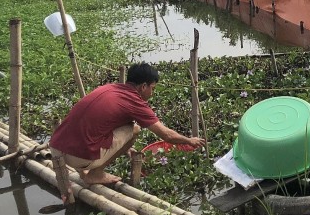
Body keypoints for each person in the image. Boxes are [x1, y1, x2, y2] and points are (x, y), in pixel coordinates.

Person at [49, 62, 206, 203]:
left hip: (56, 148)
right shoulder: (134, 101)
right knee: (134, 129)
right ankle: (95, 173)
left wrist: (127, 148)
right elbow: (167, 135)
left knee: (126, 126)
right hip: (77, 157)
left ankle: (86, 167)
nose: (152, 93)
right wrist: (189, 140)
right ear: (143, 86)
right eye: (153, 88)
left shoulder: (110, 88)